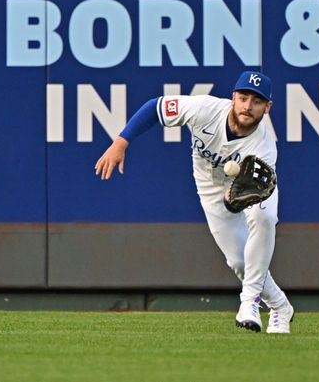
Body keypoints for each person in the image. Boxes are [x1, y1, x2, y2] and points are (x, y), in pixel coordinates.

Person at [94, 70, 294, 334]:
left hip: (250, 185)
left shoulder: (264, 147)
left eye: (256, 101)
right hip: (210, 184)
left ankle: (249, 304)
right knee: (239, 261)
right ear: (233, 97)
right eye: (243, 97)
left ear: (267, 107)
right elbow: (155, 107)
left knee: (264, 218)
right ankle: (280, 306)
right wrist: (121, 142)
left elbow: (249, 194)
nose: (248, 106)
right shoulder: (204, 109)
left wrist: (233, 201)